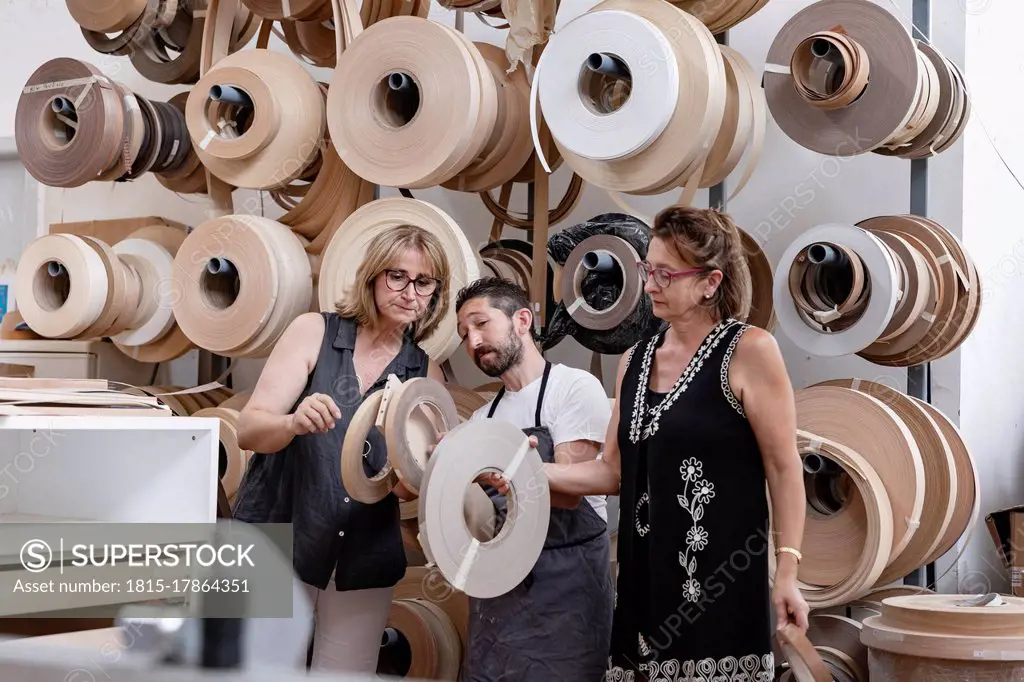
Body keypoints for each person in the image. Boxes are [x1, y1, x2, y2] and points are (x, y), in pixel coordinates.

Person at [540, 206, 809, 680]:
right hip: (643, 592)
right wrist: (533, 474)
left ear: (710, 282)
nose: (648, 285)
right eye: (648, 269)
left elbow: (784, 469)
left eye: (664, 273)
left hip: (721, 591)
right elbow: (612, 472)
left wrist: (787, 571)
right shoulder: (634, 360)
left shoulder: (749, 351)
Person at [231, 224, 450, 674]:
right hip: (282, 538)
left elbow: (410, 491)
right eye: (397, 276)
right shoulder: (314, 332)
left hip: (362, 556)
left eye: (423, 282)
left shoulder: (424, 370)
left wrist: (423, 472)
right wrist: (292, 422)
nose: (410, 292)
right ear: (371, 276)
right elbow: (249, 430)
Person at [453, 277, 615, 682]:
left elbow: (568, 497)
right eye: (464, 334)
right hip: (498, 601)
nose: (472, 341)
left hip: (566, 594)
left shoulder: (573, 388)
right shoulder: (480, 420)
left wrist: (496, 466)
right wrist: (444, 466)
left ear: (522, 320)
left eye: (481, 324)